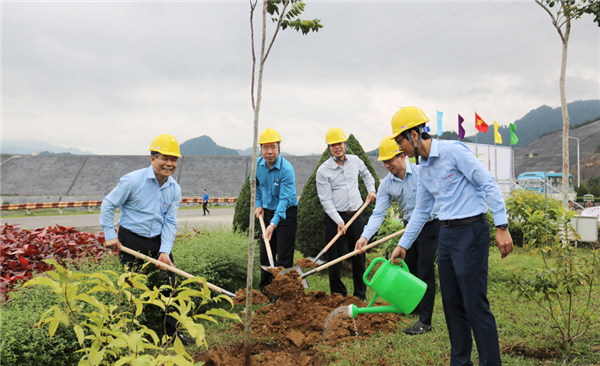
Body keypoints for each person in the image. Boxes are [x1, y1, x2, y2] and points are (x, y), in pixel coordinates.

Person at [389, 106, 514, 366]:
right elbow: (422, 210)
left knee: (474, 304)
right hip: (446, 235)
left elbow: (487, 183)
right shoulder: (423, 167)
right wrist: (403, 244)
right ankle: (460, 362)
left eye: (400, 141)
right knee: (452, 305)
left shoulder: (453, 152)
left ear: (414, 135)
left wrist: (502, 226)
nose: (400, 149)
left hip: (470, 231)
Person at [99, 133, 194, 346]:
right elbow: (107, 204)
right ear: (152, 158)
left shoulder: (174, 188)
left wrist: (165, 251)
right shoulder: (132, 181)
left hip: (158, 242)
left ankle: (171, 334)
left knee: (171, 286)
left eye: (174, 159)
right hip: (130, 241)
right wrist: (110, 235)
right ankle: (133, 339)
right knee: (133, 289)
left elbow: (170, 222)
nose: (169, 164)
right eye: (164, 158)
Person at [355, 136, 440, 335]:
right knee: (408, 269)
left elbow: (437, 199)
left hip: (430, 225)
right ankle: (412, 305)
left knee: (425, 269)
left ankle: (425, 321)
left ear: (402, 156)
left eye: (390, 160)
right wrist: (365, 236)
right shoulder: (386, 185)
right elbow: (378, 213)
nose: (387, 165)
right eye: (384, 162)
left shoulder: (421, 173)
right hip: (408, 227)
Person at [316, 127, 376, 301]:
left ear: (345, 144)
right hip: (334, 218)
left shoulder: (355, 161)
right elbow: (326, 200)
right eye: (333, 145)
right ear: (329, 148)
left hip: (356, 215)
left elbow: (368, 176)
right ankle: (337, 295)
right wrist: (338, 221)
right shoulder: (323, 171)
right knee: (334, 259)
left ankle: (360, 295)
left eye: (340, 143)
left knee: (359, 254)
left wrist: (371, 190)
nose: (337, 147)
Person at [253, 128, 298, 295]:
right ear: (261, 149)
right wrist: (258, 204)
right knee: (265, 251)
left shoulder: (286, 169)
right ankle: (266, 290)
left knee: (283, 254)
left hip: (287, 213)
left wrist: (274, 224)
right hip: (266, 211)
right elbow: (256, 186)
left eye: (273, 147)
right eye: (265, 147)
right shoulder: (257, 165)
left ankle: (283, 292)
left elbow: (285, 200)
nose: (269, 151)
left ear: (279, 147)